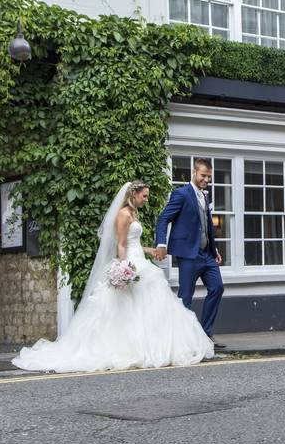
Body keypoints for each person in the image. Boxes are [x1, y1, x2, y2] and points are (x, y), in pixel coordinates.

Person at [12, 181, 214, 372]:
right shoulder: (123, 215)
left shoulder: (133, 213)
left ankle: (147, 346)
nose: (146, 199)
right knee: (128, 310)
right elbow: (120, 244)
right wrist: (125, 268)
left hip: (139, 259)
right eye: (144, 196)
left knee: (148, 307)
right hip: (131, 263)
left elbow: (133, 242)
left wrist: (149, 250)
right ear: (133, 194)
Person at [155, 158, 226, 349]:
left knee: (217, 288)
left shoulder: (205, 196)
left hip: (207, 254)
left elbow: (206, 225)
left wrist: (214, 248)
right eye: (203, 175)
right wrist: (161, 243)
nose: (206, 180)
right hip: (188, 255)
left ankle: (205, 334)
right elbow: (163, 219)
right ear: (194, 172)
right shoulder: (181, 194)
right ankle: (181, 339)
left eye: (209, 177)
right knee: (186, 296)